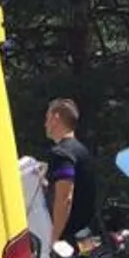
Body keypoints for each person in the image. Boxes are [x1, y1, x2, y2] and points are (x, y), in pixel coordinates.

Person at [43, 97, 98, 246]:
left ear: (56, 118)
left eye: (47, 118)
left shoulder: (61, 153)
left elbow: (64, 197)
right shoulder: (82, 151)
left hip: (67, 240)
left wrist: (54, 238)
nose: (45, 124)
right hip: (84, 236)